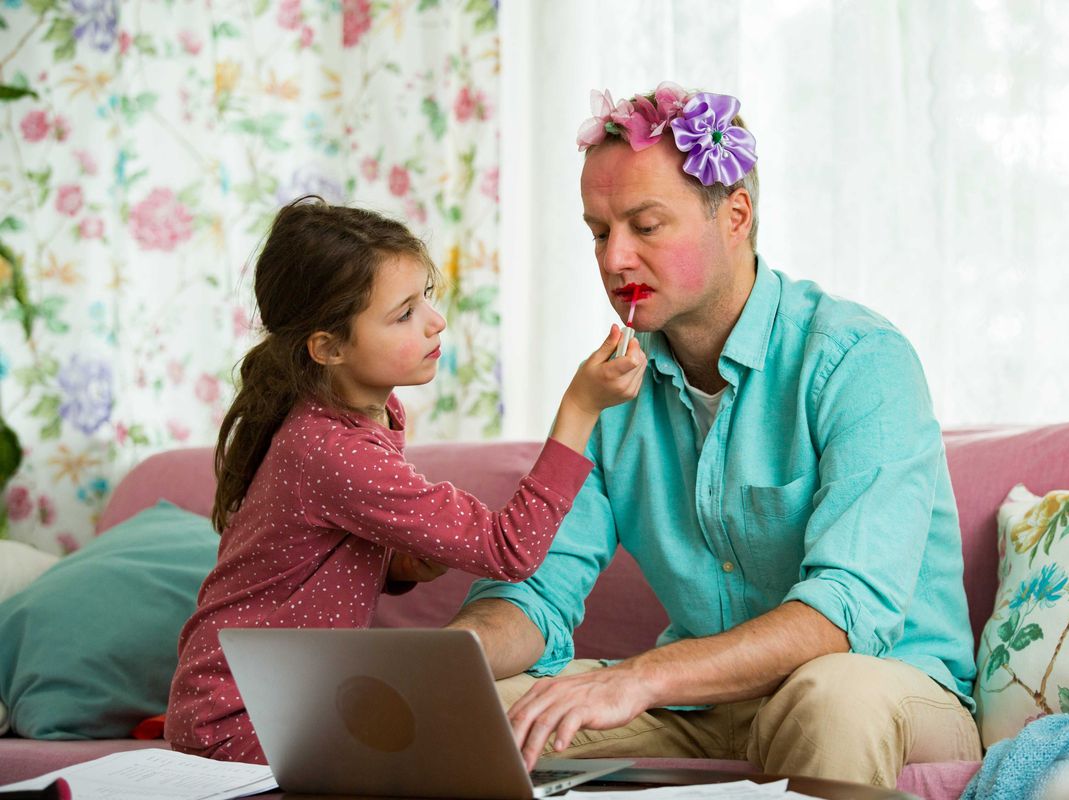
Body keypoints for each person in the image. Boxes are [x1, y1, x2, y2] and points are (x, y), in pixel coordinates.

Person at [447, 83, 982, 788]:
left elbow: (845, 614)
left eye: (645, 225)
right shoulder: (612, 390)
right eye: (598, 231)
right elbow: (541, 593)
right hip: (702, 699)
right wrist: (445, 661)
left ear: (734, 216)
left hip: (886, 683)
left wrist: (642, 676)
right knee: (476, 719)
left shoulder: (860, 360)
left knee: (833, 698)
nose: (613, 260)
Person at [164, 197, 646, 764]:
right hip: (241, 716)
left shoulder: (360, 415)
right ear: (328, 348)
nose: (435, 322)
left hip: (276, 702)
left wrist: (396, 564)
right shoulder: (332, 450)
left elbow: (306, 556)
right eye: (403, 315)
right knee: (453, 754)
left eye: (427, 298)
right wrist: (581, 408)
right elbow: (509, 551)